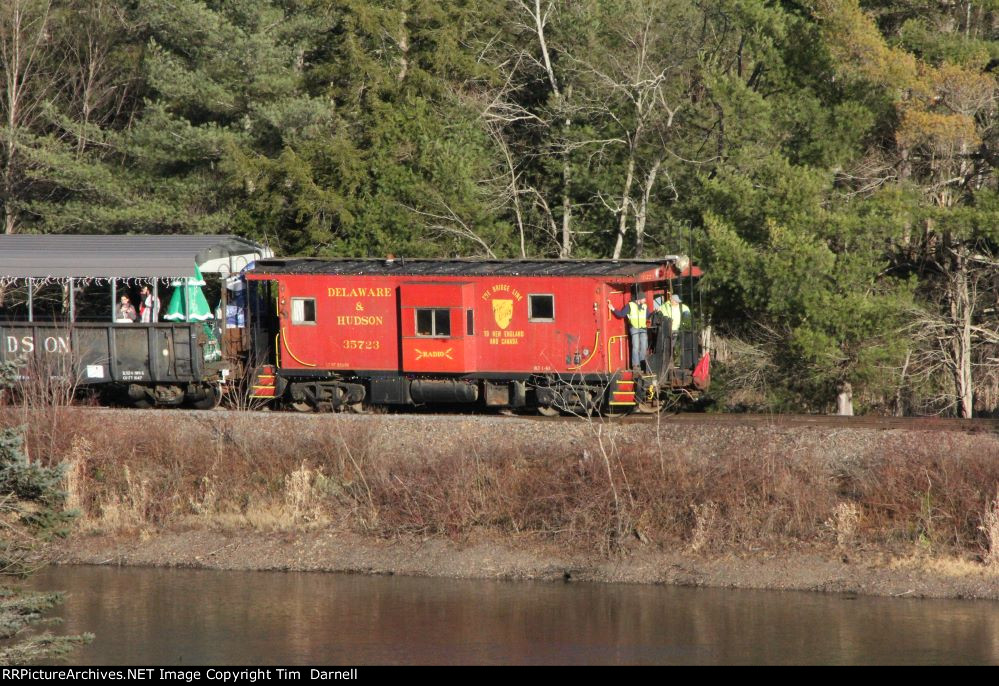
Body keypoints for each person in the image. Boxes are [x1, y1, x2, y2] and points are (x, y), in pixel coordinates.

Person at [607, 291, 648, 370]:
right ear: (639, 299)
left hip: (643, 328)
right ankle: (635, 365)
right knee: (636, 346)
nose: (645, 300)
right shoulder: (630, 306)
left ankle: (642, 363)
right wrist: (613, 309)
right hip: (634, 328)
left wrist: (654, 312)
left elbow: (648, 315)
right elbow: (621, 314)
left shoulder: (644, 306)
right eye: (644, 298)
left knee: (644, 346)